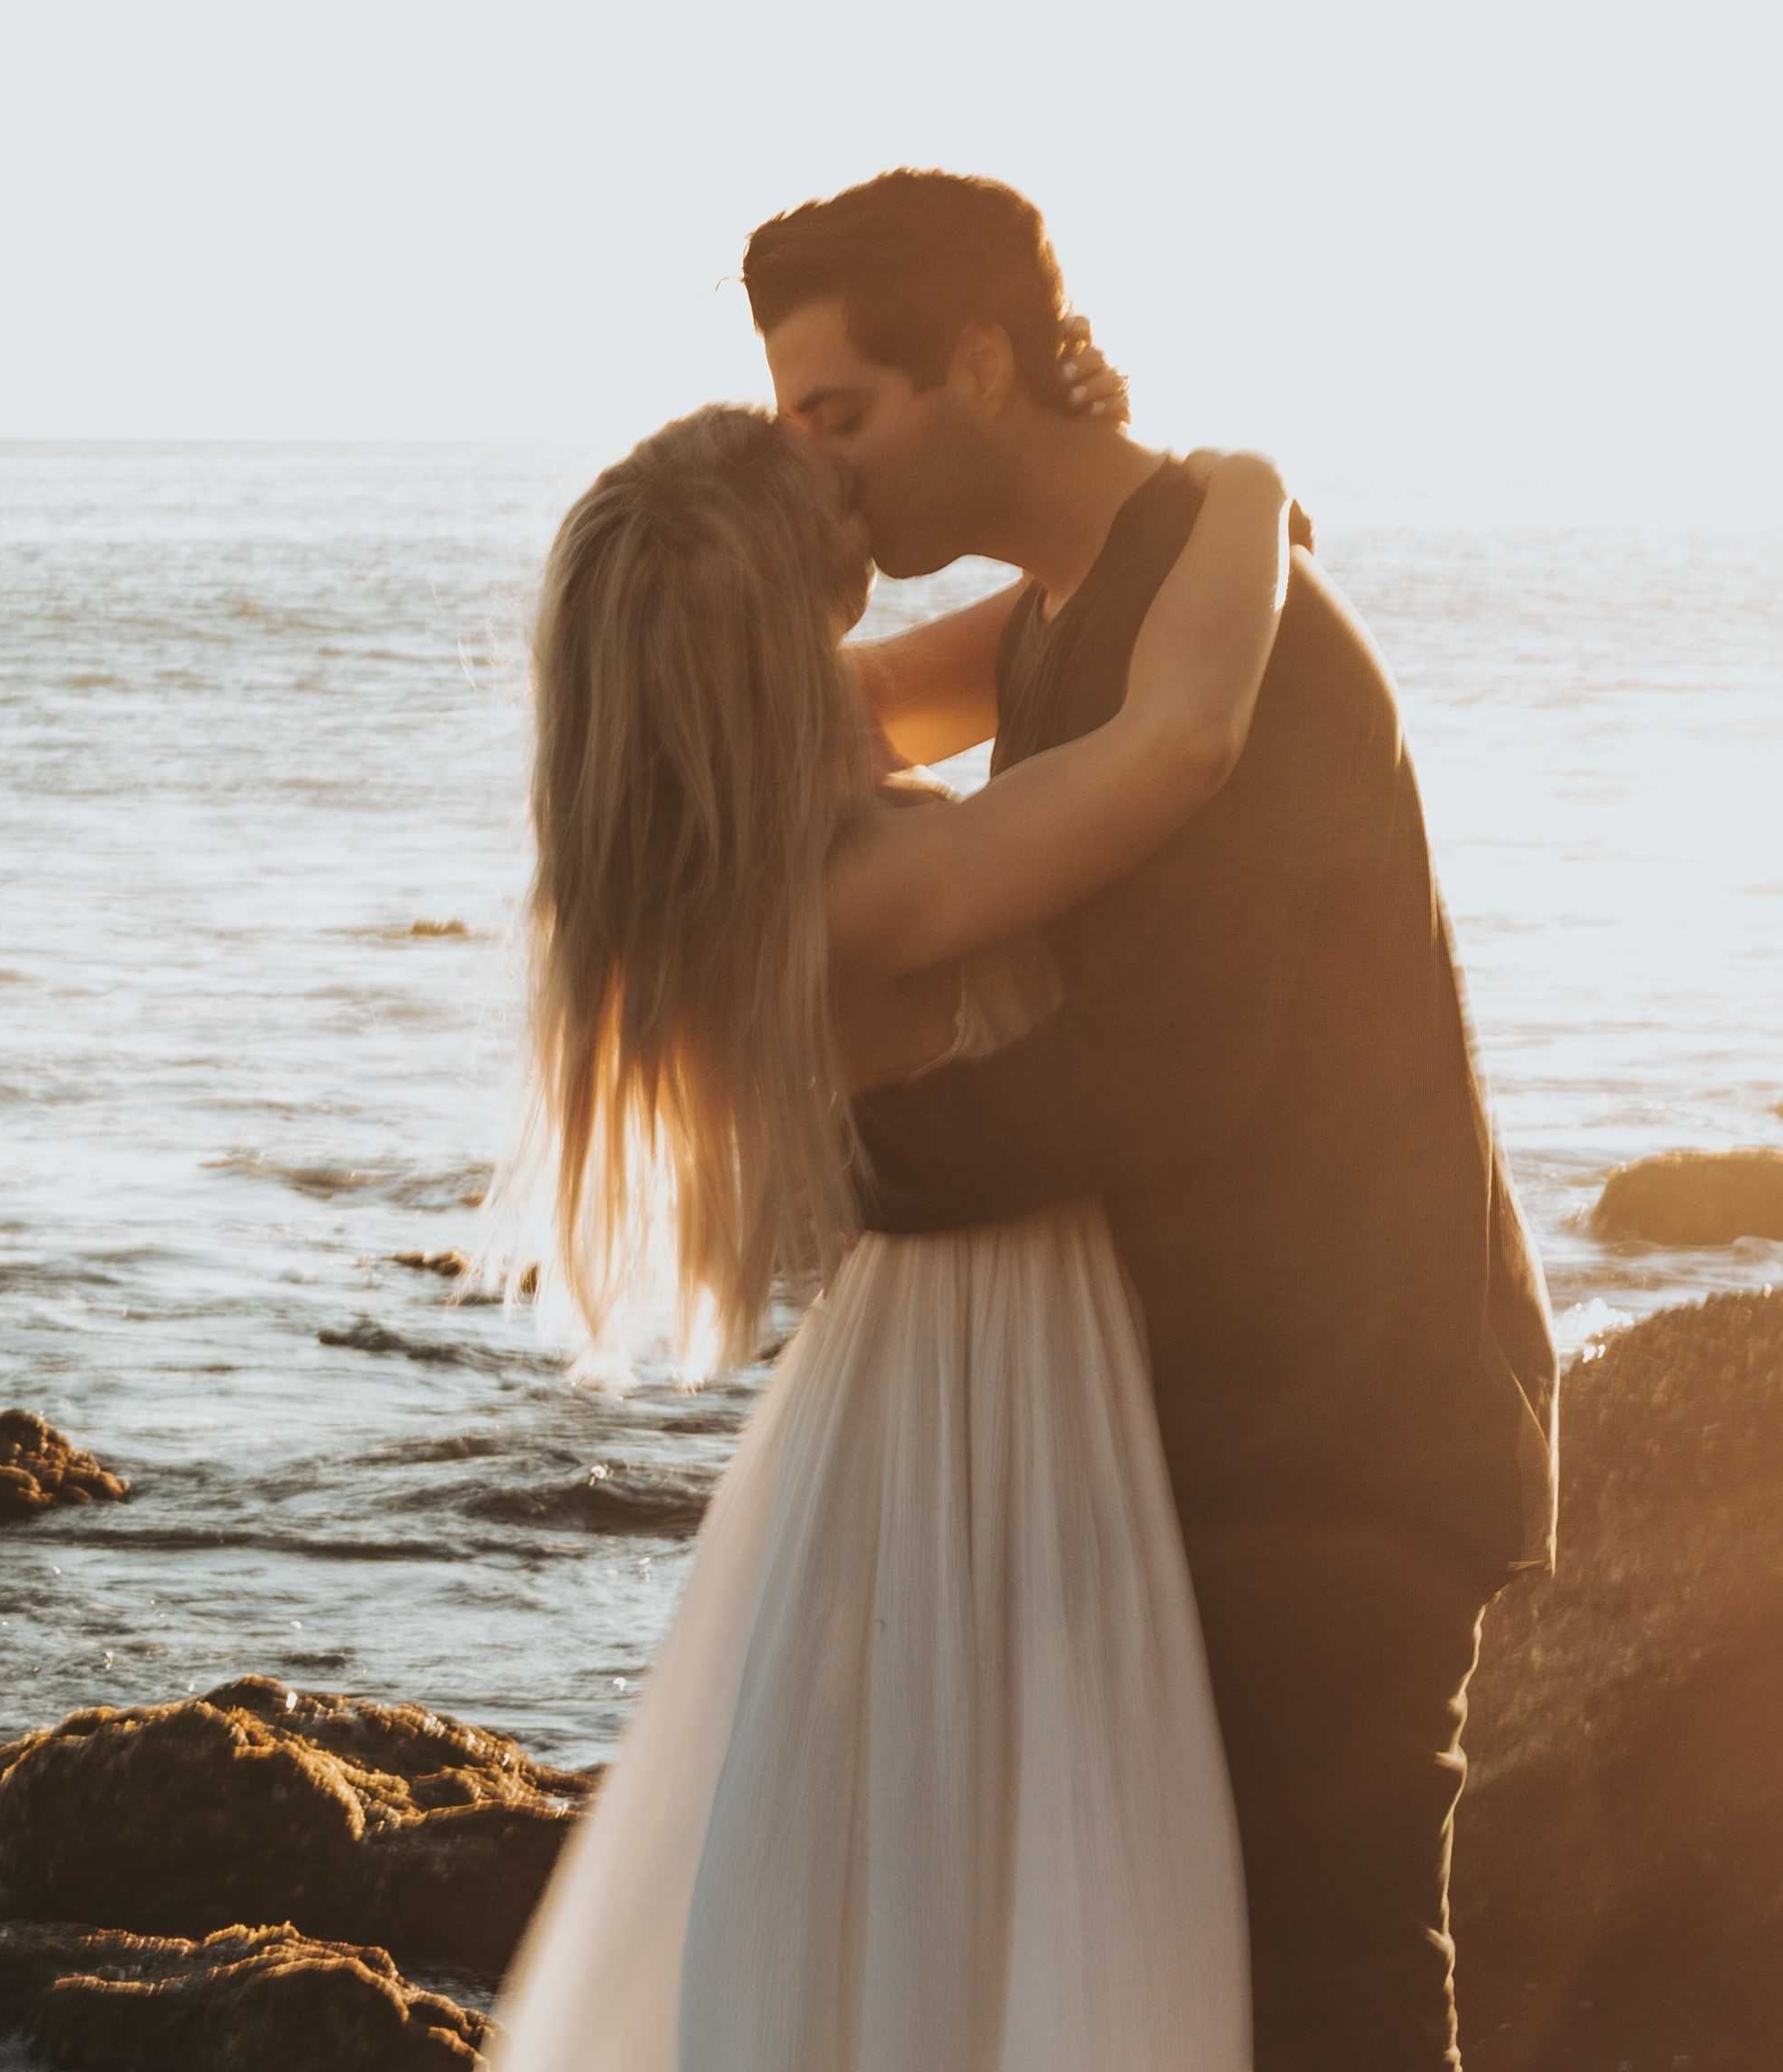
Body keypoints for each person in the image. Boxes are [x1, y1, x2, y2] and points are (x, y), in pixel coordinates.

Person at [760, 168, 1562, 2070]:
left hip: (1340, 1443)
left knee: (1333, 2006)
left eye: (839, 418)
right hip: (1205, 1435)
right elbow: (798, 723)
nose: (820, 478)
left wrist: (815, 1166)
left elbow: (1167, 1069)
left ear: (979, 360)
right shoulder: (1067, 617)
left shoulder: (1229, 637)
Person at [478, 374, 1295, 2070]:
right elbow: (1182, 738)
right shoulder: (869, 892)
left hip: (912, 1371)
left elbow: (1005, 655)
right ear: (774, 642)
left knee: (912, 1886)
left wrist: (1127, 547)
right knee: (1023, 1887)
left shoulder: (723, 847)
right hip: (997, 1379)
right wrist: (1244, 486)